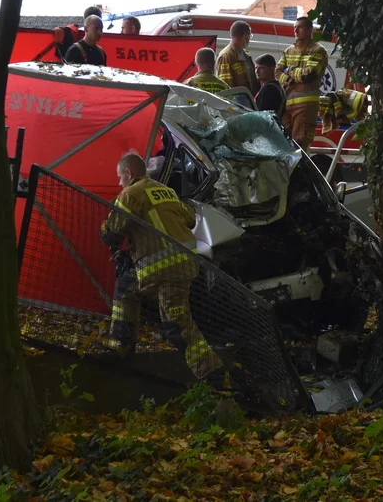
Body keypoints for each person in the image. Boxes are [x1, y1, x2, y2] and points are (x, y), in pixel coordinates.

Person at [100, 152, 225, 384]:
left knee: (135, 295)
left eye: (120, 177)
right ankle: (213, 374)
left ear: (129, 173)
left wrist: (110, 235)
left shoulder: (130, 194)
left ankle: (121, 345)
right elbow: (189, 219)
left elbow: (111, 230)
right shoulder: (166, 191)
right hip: (185, 265)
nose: (119, 183)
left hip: (158, 267)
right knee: (168, 317)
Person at [277, 16, 328, 151]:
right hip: (287, 105)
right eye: (294, 27)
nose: (295, 30)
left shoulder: (317, 50)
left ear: (310, 30)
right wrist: (288, 79)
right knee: (283, 143)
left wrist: (289, 70)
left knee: (300, 145)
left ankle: (301, 172)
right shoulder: (289, 50)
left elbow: (308, 75)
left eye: (299, 27)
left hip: (306, 106)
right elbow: (277, 72)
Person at [215, 20, 259, 94]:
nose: (249, 39)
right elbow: (225, 86)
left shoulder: (246, 54)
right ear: (245, 36)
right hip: (237, 103)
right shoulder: (226, 56)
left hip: (248, 102)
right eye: (249, 36)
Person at [253, 54, 286, 118]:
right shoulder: (276, 86)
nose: (257, 71)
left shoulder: (270, 89)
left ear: (272, 69)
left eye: (262, 68)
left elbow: (262, 115)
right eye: (256, 68)